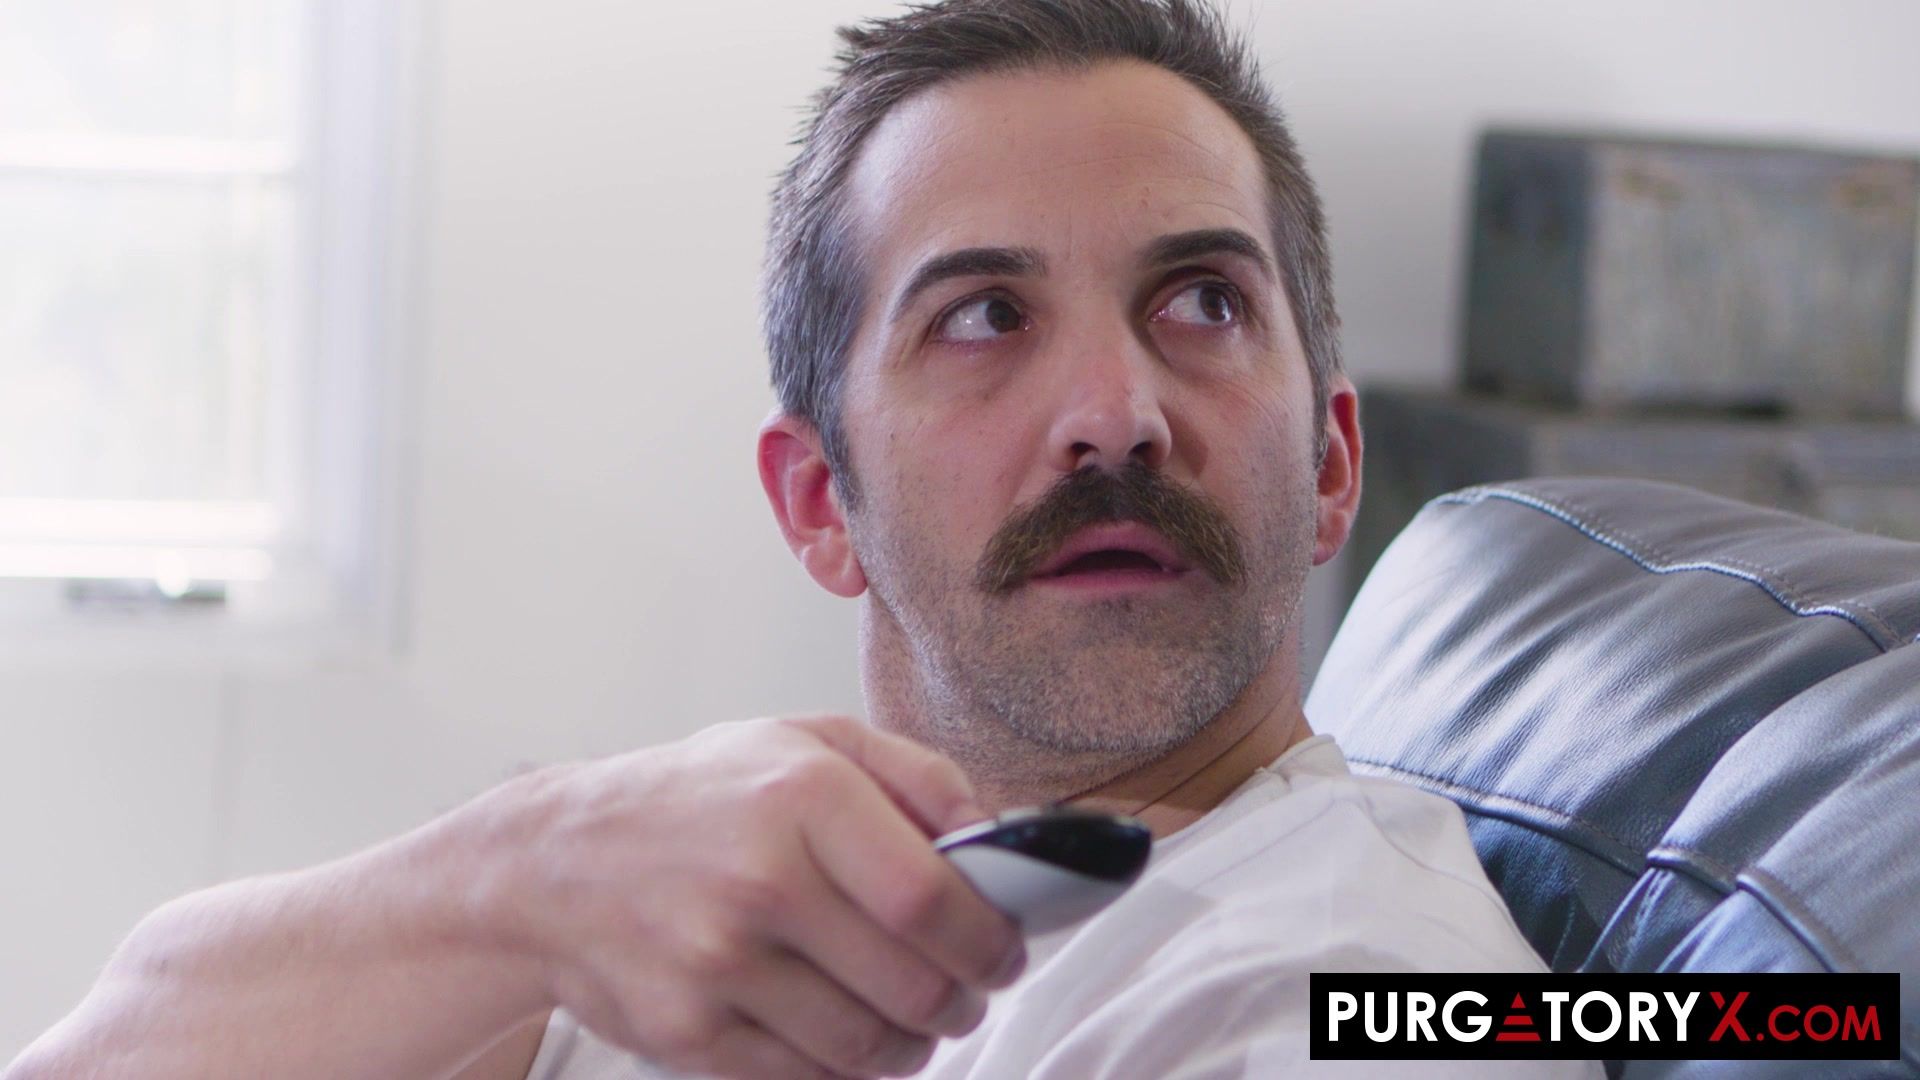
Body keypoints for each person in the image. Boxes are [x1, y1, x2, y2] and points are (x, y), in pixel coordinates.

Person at [7, 1, 1599, 1078]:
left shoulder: (1347, 986)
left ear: (1330, 469)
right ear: (819, 503)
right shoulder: (684, 889)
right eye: (986, 316)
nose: (1116, 416)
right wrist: (523, 873)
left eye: (1201, 301)